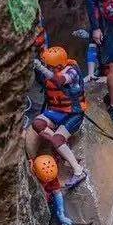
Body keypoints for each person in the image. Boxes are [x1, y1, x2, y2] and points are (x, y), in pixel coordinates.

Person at [31, 46, 88, 189]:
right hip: (57, 111)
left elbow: (59, 81)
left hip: (73, 114)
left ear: (59, 65)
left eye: (49, 66)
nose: (47, 68)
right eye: (46, 65)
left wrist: (40, 68)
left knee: (57, 139)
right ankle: (63, 150)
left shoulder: (72, 72)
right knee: (37, 124)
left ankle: (78, 171)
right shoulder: (51, 70)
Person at [31, 153, 71, 225]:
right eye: (45, 180)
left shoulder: (50, 173)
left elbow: (57, 192)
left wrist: (61, 212)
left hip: (47, 194)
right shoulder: (34, 175)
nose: (48, 181)